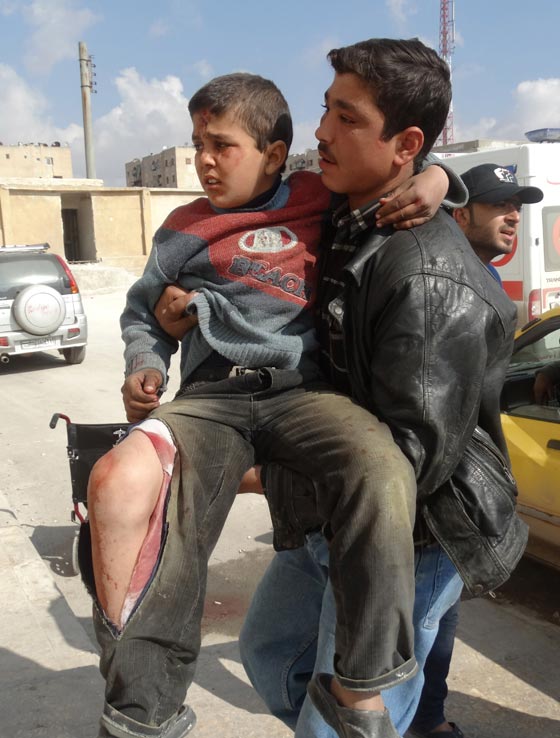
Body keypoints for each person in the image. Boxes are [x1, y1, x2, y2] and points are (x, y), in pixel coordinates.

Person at [83, 71, 458, 738]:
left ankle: (362, 687)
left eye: (221, 145)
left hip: (303, 393)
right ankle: (143, 705)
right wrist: (146, 364)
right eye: (197, 144)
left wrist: (441, 179)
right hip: (211, 398)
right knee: (118, 481)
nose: (204, 160)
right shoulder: (181, 229)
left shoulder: (319, 197)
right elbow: (142, 314)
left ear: (275, 154)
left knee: (380, 468)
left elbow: (398, 176)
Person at [228, 38, 527, 738]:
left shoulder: (428, 277)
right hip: (333, 512)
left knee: (343, 719)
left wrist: (257, 471)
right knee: (270, 652)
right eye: (325, 110)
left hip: (407, 533)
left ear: (406, 144)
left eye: (348, 118)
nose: (323, 132)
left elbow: (410, 458)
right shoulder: (345, 213)